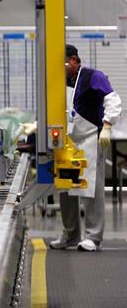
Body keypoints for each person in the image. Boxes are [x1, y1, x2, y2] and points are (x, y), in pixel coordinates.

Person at [50, 44, 121, 252]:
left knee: (92, 188)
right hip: (69, 140)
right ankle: (71, 234)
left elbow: (112, 100)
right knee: (65, 186)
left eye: (63, 64)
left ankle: (93, 236)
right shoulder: (61, 81)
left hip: (91, 138)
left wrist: (107, 125)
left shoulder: (92, 76)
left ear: (73, 60)